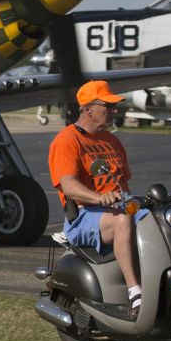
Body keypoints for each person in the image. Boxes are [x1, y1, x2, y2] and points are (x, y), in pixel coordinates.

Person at [48, 80, 146, 318]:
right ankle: (135, 292)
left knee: (164, 220)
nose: (114, 110)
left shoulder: (112, 141)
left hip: (116, 208)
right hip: (83, 216)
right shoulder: (67, 140)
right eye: (108, 106)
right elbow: (69, 185)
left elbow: (123, 184)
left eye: (115, 106)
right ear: (89, 109)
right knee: (122, 219)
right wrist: (99, 197)